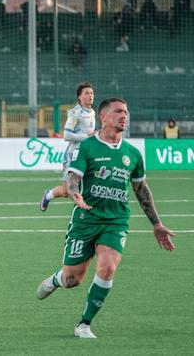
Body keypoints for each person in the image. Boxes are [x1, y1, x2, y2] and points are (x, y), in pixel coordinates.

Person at [36, 97, 175, 339]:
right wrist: (74, 194)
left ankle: (84, 324)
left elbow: (141, 189)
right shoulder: (87, 147)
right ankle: (58, 279)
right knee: (72, 279)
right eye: (118, 111)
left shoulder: (132, 153)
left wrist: (157, 224)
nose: (124, 116)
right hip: (86, 219)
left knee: (108, 267)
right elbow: (72, 179)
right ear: (103, 116)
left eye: (126, 112)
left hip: (115, 221)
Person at [40, 82, 96, 211]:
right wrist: (87, 136)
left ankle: (88, 211)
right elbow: (66, 135)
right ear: (79, 97)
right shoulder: (75, 113)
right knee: (66, 192)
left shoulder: (92, 112)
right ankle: (48, 195)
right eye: (86, 93)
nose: (90, 96)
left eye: (92, 93)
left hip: (87, 154)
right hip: (73, 155)